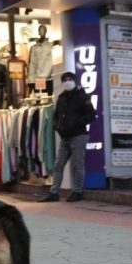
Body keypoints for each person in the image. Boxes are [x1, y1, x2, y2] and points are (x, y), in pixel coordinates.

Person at [37, 71, 97, 203]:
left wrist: (77, 123)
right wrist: (56, 126)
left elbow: (91, 115)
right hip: (65, 137)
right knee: (58, 165)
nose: (67, 81)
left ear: (74, 81)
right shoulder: (61, 97)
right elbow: (56, 115)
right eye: (65, 79)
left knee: (77, 165)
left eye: (70, 79)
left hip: (79, 136)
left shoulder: (82, 96)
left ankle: (77, 191)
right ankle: (54, 192)